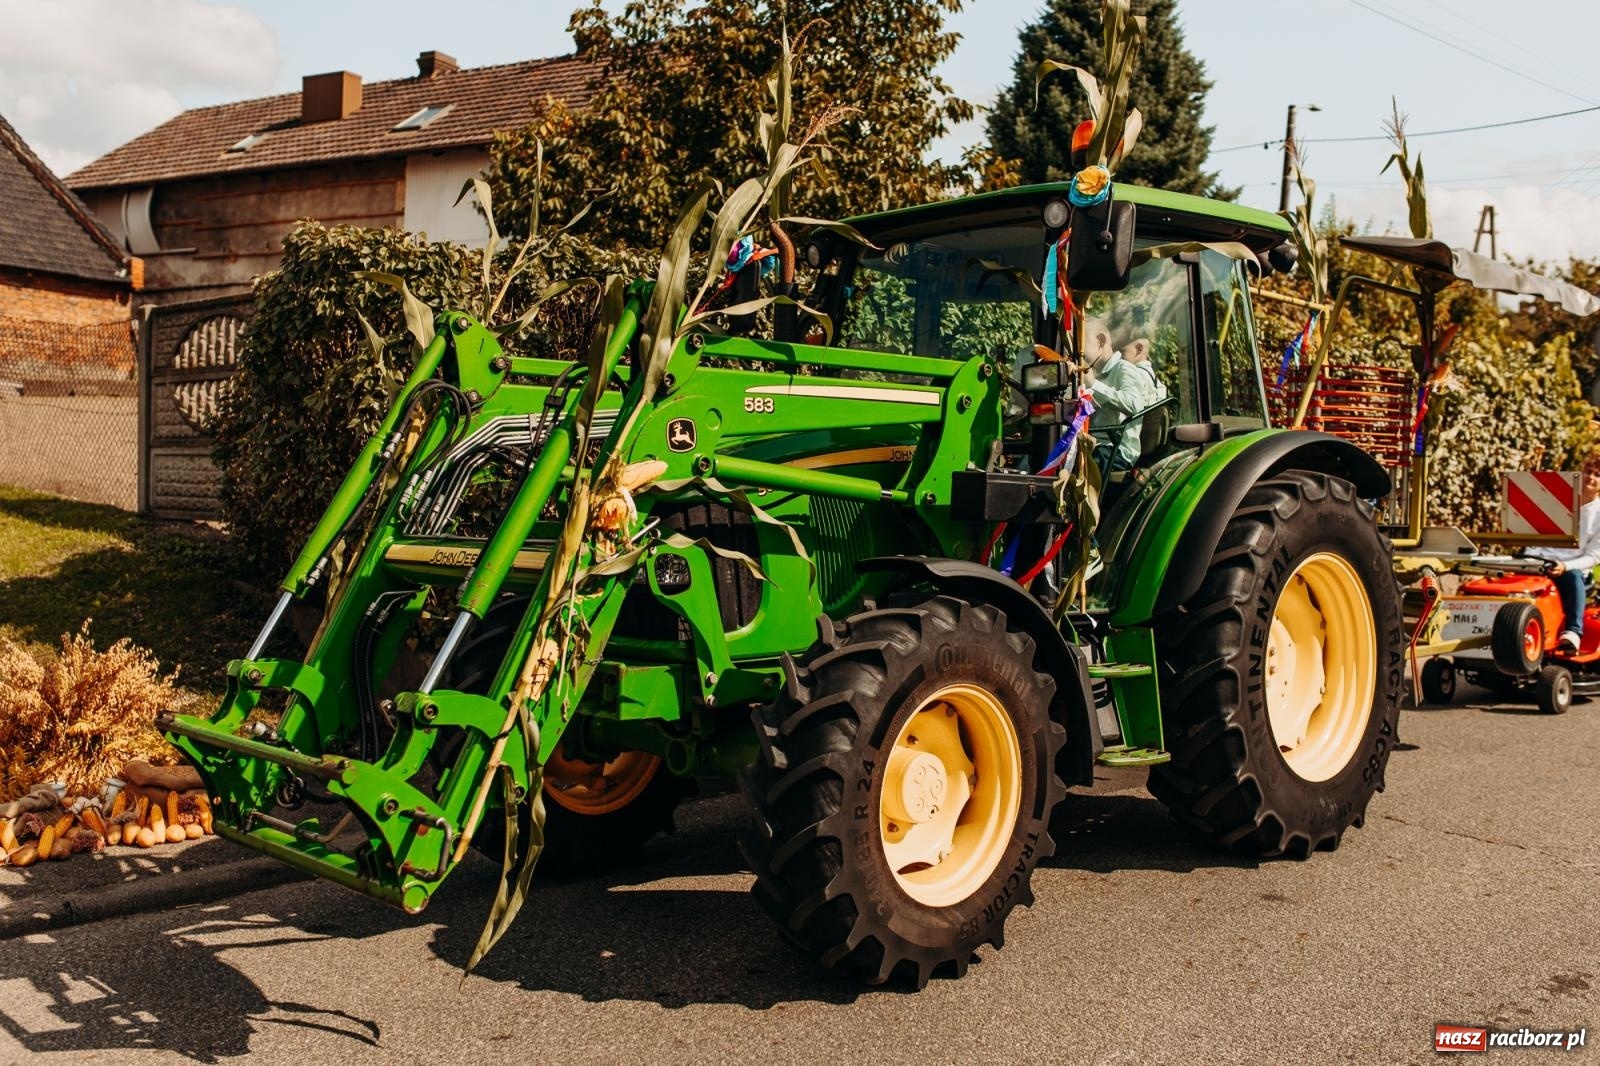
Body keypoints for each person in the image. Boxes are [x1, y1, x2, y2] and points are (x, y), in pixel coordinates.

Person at [1525, 458, 1600, 653]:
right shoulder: (1559, 501)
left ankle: (1573, 631)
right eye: (1588, 471)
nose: (1590, 477)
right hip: (1541, 562)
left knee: (1573, 577)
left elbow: (1594, 556)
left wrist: (1565, 566)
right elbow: (1536, 536)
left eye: (1597, 475)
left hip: (1574, 569)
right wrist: (1530, 559)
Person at [1082, 319, 1167, 472]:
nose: (1077, 353)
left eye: (1081, 346)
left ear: (1101, 341)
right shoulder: (1096, 374)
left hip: (1116, 451)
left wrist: (1094, 385)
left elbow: (1134, 405)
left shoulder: (1126, 369)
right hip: (1094, 445)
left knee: (1080, 467)